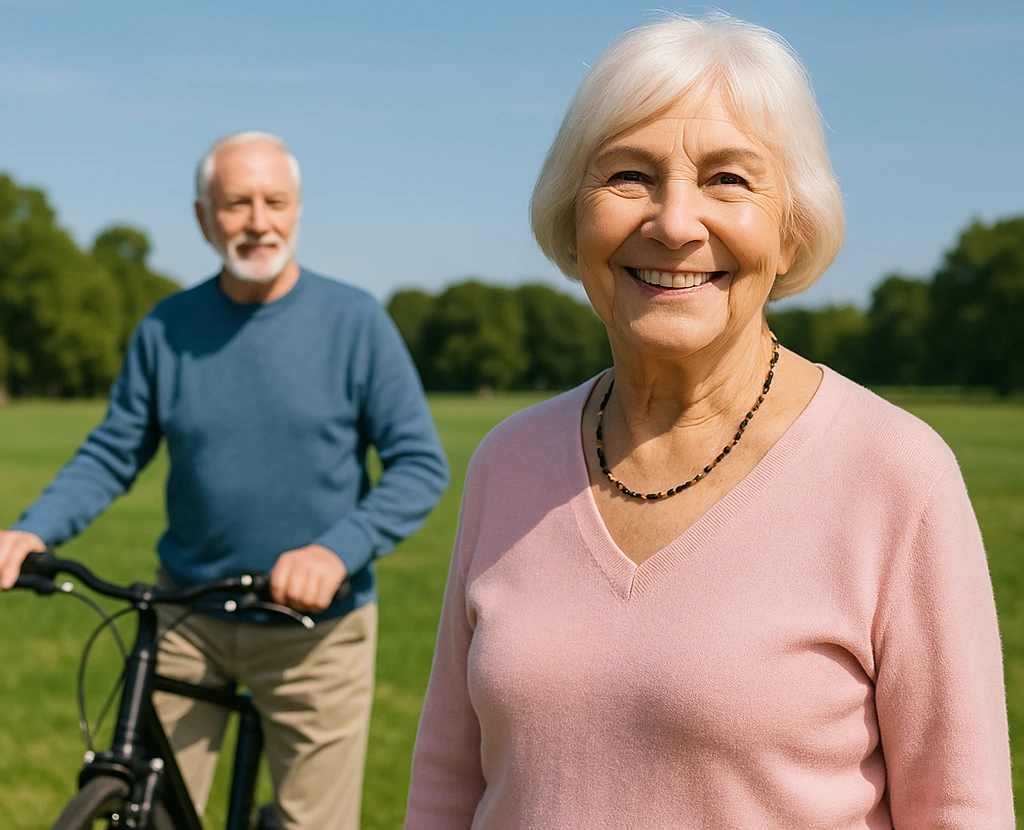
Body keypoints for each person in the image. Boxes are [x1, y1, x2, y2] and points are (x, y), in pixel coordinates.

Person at [405, 14, 1014, 829]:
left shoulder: (896, 472)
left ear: (792, 228)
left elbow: (960, 811)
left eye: (728, 179)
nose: (674, 223)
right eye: (628, 176)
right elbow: (446, 787)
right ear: (571, 214)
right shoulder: (507, 460)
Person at [0, 131, 449, 829]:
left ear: (298, 209)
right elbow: (113, 451)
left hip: (315, 632)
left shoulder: (356, 320)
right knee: (148, 811)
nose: (258, 221)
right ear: (203, 218)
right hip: (188, 617)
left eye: (275, 202)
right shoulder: (166, 328)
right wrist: (34, 530)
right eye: (237, 203)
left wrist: (335, 551)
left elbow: (420, 463)